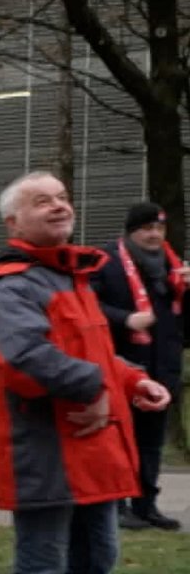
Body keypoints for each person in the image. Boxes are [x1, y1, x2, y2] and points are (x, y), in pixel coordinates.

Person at [0, 172, 172, 574]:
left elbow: (98, 353)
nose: (58, 207)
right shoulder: (10, 284)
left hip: (90, 448)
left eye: (61, 198)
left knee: (98, 557)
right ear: (14, 222)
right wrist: (96, 387)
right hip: (45, 451)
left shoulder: (71, 277)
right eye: (42, 202)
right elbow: (21, 358)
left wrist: (130, 382)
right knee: (43, 568)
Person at [91, 202, 185, 532]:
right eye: (147, 228)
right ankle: (116, 506)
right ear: (131, 232)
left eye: (159, 228)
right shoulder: (107, 262)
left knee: (150, 443)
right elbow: (87, 306)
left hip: (162, 368)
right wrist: (126, 318)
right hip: (123, 366)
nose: (154, 235)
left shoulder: (172, 269)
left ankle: (146, 506)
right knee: (118, 440)